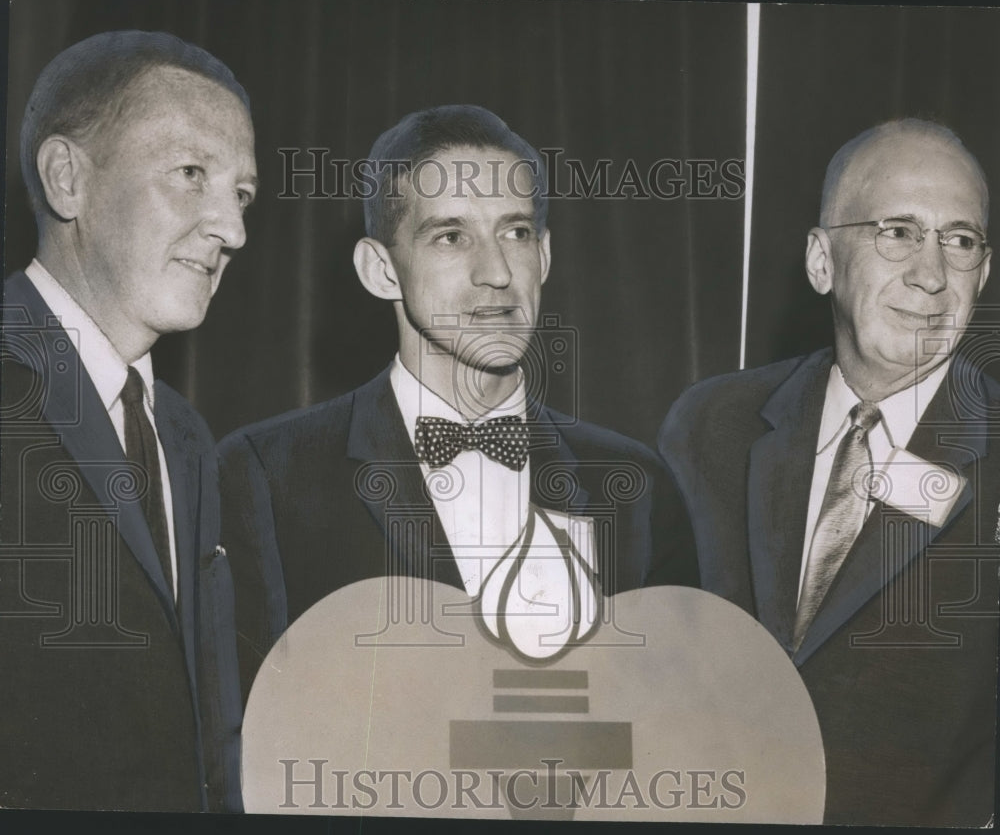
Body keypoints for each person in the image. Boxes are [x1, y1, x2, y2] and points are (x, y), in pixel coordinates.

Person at [220, 104, 698, 698]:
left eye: (516, 233)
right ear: (380, 271)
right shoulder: (266, 475)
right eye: (451, 236)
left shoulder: (637, 486)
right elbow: (245, 736)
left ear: (544, 257)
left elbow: (674, 727)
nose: (496, 272)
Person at [658, 118, 998, 827]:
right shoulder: (711, 423)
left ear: (984, 272)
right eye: (898, 232)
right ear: (822, 261)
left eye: (959, 241)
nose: (932, 274)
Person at [0, 30, 257, 811]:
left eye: (242, 194)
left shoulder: (185, 436)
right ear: (68, 179)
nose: (233, 231)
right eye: (191, 175)